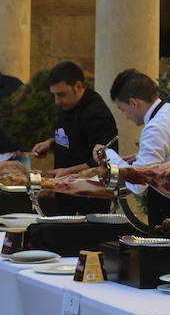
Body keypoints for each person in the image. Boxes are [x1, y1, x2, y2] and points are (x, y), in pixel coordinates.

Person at [94, 68, 170, 224]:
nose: (126, 116)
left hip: (169, 212)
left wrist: (108, 155)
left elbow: (137, 184)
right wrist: (139, 157)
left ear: (133, 103)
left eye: (122, 109)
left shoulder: (154, 128)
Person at [31, 61, 118, 214]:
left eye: (61, 95)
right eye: (54, 95)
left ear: (78, 86)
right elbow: (72, 135)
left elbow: (104, 160)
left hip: (88, 197)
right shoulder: (68, 104)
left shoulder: (97, 113)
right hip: (65, 192)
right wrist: (51, 143)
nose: (57, 101)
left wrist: (69, 172)